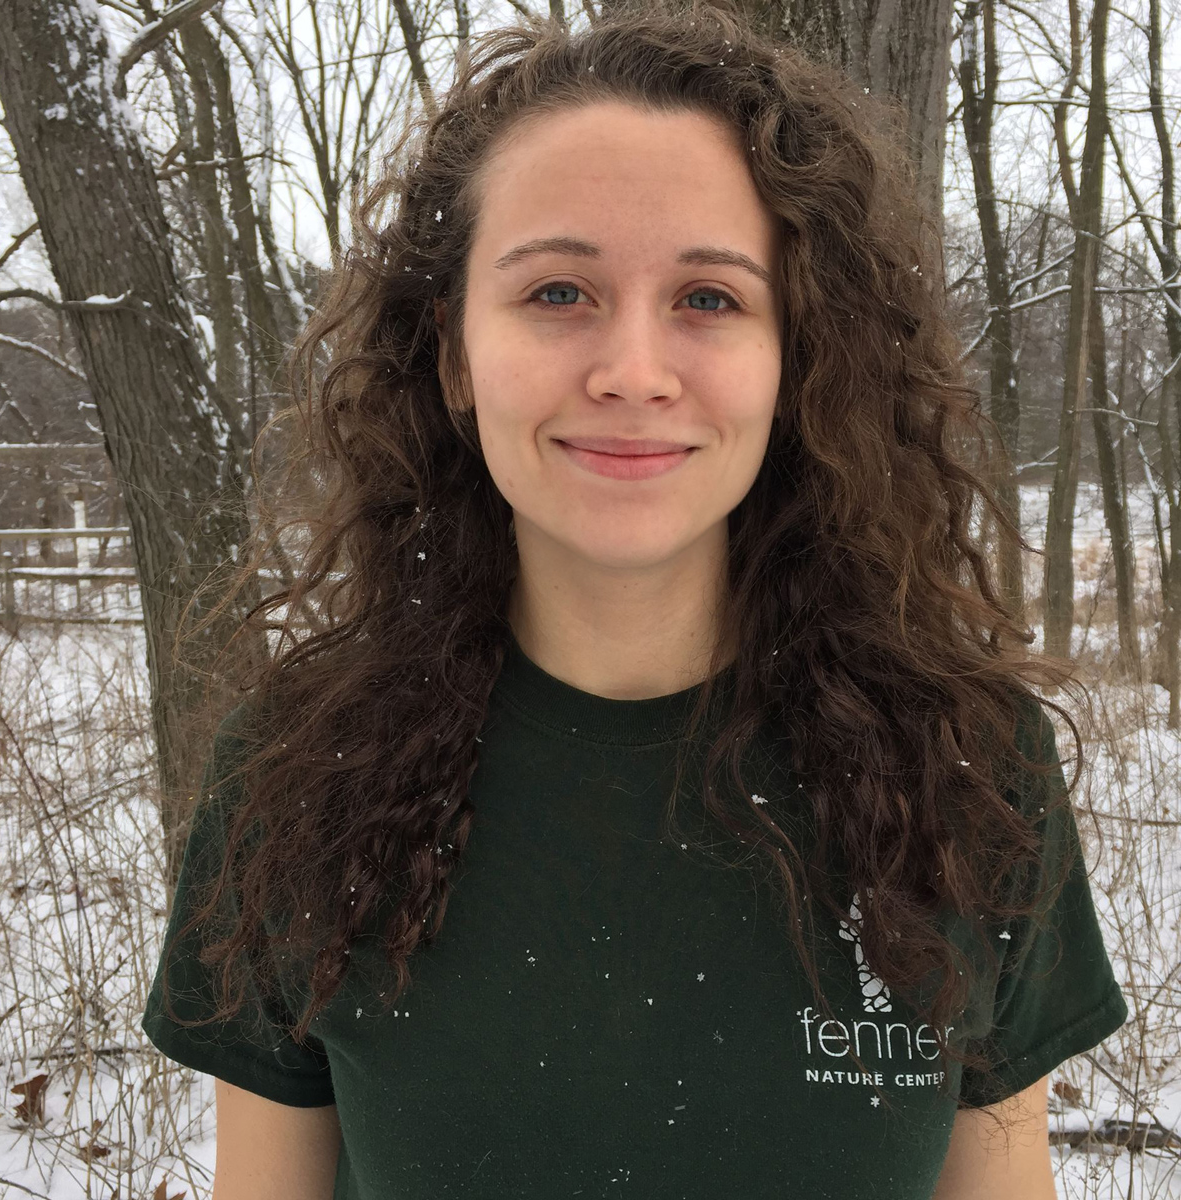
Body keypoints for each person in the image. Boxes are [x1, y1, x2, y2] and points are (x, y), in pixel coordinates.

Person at [140, 2, 1129, 1197]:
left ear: (794, 359)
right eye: (559, 292)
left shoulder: (963, 769)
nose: (633, 373)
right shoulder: (300, 775)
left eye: (709, 299)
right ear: (454, 354)